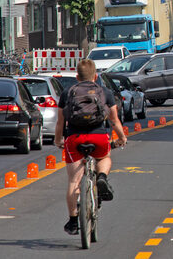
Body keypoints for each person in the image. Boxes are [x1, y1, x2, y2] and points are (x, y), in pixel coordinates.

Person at [54, 59, 127, 235]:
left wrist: (58, 140)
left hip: (74, 138)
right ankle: (101, 177)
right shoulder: (105, 92)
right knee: (104, 157)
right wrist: (122, 137)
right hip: (99, 137)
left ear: (77, 77)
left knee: (73, 181)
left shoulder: (68, 93)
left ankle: (72, 221)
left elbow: (60, 122)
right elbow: (114, 120)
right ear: (95, 76)